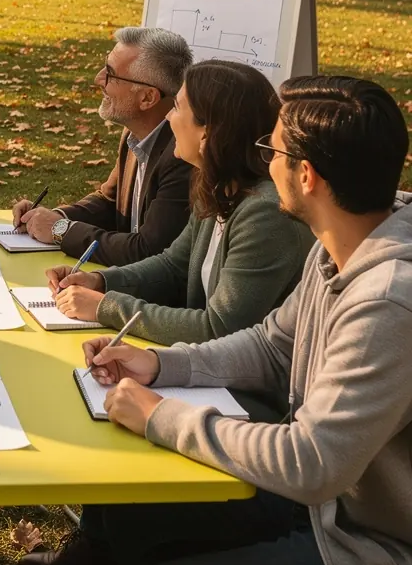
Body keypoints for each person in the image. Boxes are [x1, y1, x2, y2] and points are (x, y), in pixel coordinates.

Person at [43, 76, 412, 565]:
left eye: (273, 150)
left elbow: (312, 464)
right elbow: (270, 343)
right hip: (321, 508)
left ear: (306, 176)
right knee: (133, 493)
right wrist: (164, 365)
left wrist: (162, 415)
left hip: (369, 550)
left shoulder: (387, 301)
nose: (264, 161)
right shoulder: (344, 238)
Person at [42, 60, 314, 351]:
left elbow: (218, 328)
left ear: (208, 132)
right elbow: (173, 265)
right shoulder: (218, 186)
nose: (169, 118)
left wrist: (107, 306)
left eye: (178, 108)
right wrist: (100, 281)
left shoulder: (264, 214)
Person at [13, 27, 194, 266]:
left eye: (110, 74)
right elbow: (110, 203)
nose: (98, 79)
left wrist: (61, 230)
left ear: (148, 98)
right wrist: (55, 217)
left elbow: (148, 251)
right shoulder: (135, 131)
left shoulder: (182, 156)